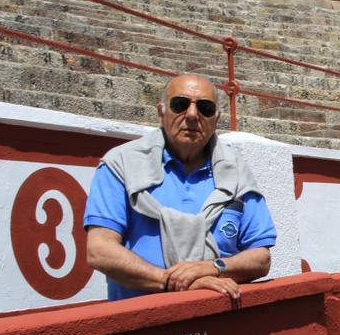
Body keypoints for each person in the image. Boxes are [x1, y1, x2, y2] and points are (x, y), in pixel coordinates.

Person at [84, 74, 275, 301]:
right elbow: (100, 251)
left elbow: (261, 257)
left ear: (216, 118)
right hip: (143, 324)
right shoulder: (121, 164)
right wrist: (177, 282)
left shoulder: (236, 172)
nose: (192, 115)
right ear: (161, 112)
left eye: (204, 108)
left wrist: (214, 267)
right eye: (180, 105)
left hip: (219, 323)